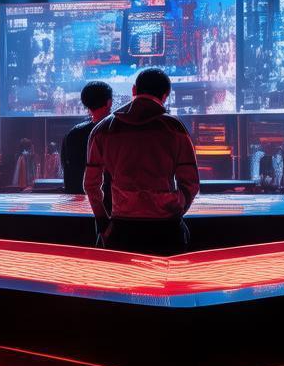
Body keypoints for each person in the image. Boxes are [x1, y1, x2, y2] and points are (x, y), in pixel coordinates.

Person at [84, 68, 200, 255]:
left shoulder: (103, 129)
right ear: (165, 95)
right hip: (167, 227)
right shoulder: (175, 128)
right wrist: (176, 207)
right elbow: (191, 182)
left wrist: (103, 222)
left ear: (134, 90)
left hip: (122, 226)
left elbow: (91, 185)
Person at [62, 81, 114, 195]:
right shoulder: (115, 131)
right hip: (112, 199)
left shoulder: (74, 133)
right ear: (109, 102)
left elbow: (69, 173)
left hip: (81, 198)